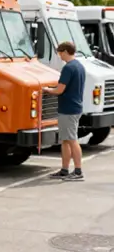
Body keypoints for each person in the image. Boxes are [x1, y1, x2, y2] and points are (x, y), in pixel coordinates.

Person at [44, 41, 86, 181]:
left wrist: (46, 90)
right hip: (75, 106)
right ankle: (64, 169)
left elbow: (59, 90)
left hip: (68, 109)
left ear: (66, 51)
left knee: (72, 139)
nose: (59, 56)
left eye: (60, 53)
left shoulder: (68, 68)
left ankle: (78, 171)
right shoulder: (79, 66)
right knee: (66, 140)